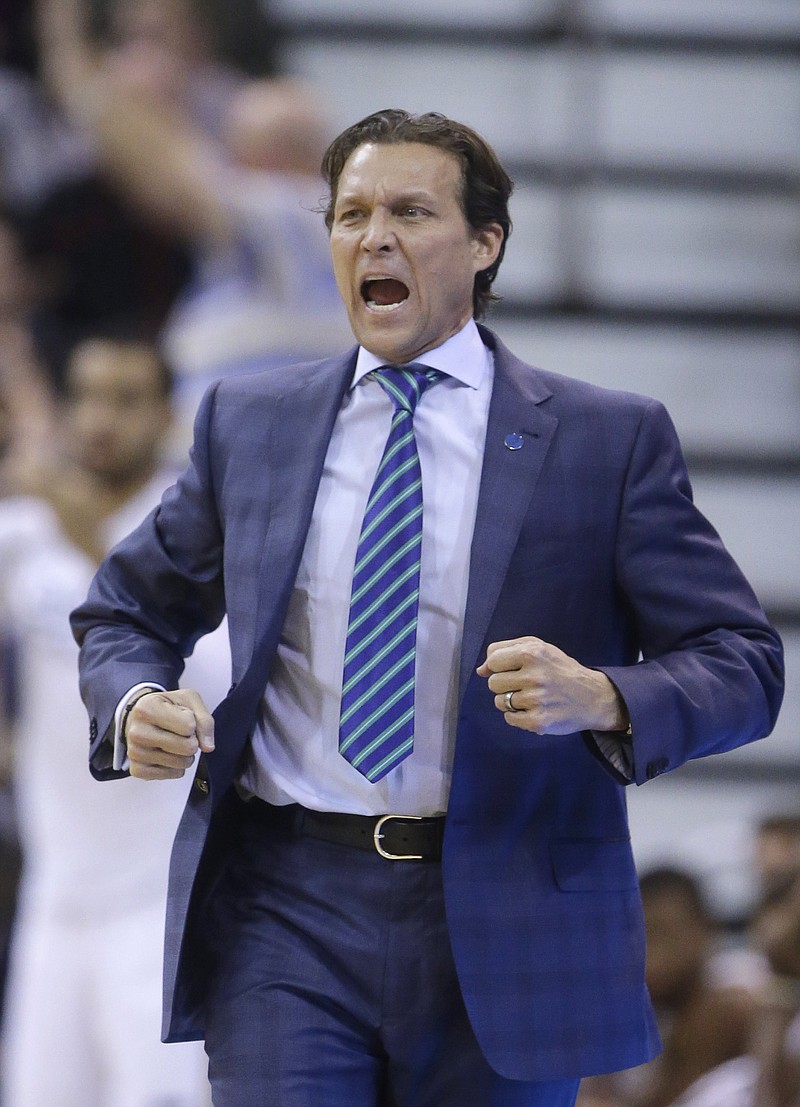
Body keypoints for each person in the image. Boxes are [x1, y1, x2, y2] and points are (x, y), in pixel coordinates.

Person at [70, 109, 785, 1107]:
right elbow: (124, 614)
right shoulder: (252, 423)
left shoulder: (602, 440)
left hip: (503, 908)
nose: (374, 237)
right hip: (283, 901)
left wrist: (603, 697)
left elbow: (742, 663)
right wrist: (133, 699)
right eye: (351, 213)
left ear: (484, 242)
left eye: (409, 212)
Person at [0, 324, 220, 1105]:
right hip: (53, 895)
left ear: (168, 415)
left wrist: (71, 515)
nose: (99, 419)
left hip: (154, 902)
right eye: (86, 397)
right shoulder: (23, 532)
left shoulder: (191, 535)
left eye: (125, 400)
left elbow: (185, 665)